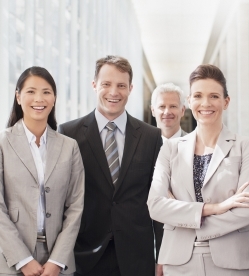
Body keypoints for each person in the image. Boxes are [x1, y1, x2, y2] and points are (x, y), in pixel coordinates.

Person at [147, 64, 249, 276]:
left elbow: (248, 211)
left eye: (214, 96)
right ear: (189, 102)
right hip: (179, 264)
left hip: (232, 262)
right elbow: (155, 206)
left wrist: (183, 218)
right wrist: (217, 207)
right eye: (198, 95)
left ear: (226, 101)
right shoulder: (171, 149)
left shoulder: (246, 146)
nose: (206, 103)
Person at [58, 55, 163, 276]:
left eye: (121, 86)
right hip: (86, 255)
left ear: (130, 88)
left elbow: (158, 199)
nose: (114, 92)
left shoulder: (151, 136)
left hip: (138, 256)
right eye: (106, 84)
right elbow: (62, 200)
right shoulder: (69, 134)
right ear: (94, 85)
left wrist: (162, 255)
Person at [0, 66, 84, 276]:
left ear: (54, 98)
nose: (39, 99)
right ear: (18, 97)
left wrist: (57, 260)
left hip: (58, 261)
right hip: (11, 260)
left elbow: (75, 206)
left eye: (46, 92)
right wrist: (23, 260)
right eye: (30, 92)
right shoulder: (3, 143)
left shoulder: (69, 146)